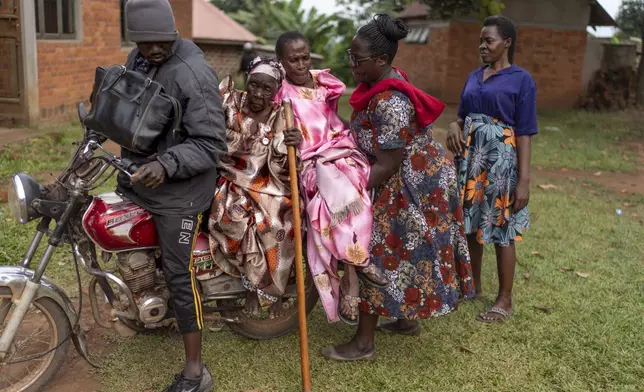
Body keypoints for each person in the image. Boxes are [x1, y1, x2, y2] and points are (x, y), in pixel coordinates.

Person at [321, 14, 475, 361]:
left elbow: (388, 164)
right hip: (409, 173)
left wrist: (349, 197)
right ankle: (406, 321)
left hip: (412, 182)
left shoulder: (390, 102)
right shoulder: (378, 87)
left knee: (378, 252)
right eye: (350, 54)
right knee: (403, 250)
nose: (351, 64)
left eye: (357, 60)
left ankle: (363, 343)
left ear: (381, 61)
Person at [120, 1, 226, 390]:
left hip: (183, 190)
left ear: (173, 31)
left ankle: (196, 371)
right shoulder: (140, 57)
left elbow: (211, 142)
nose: (152, 51)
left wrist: (166, 165)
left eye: (160, 42)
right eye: (144, 43)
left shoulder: (193, 74)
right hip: (143, 173)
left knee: (179, 273)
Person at [275, 31, 388, 325]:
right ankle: (355, 271)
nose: (300, 65)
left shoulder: (322, 81)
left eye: (304, 58)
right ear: (281, 62)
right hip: (313, 162)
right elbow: (273, 133)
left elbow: (332, 117)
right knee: (332, 197)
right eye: (293, 60)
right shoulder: (282, 96)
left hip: (342, 151)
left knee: (354, 187)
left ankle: (355, 266)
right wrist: (287, 136)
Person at [445, 16, 537, 323]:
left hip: (501, 162)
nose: (482, 46)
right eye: (480, 41)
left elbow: (524, 132)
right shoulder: (474, 76)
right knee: (470, 223)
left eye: (489, 41)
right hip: (471, 158)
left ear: (507, 43)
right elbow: (462, 115)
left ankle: (504, 300)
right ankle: (473, 287)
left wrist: (523, 180)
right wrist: (453, 125)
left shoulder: (521, 80)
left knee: (501, 228)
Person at [208, 57, 302, 319]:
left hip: (267, 185)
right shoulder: (228, 101)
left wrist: (294, 144)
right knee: (235, 217)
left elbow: (284, 165)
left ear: (275, 92)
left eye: (266, 89)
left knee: (279, 223)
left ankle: (272, 290)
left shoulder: (280, 116)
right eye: (254, 85)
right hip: (228, 179)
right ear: (246, 81)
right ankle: (250, 286)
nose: (258, 94)